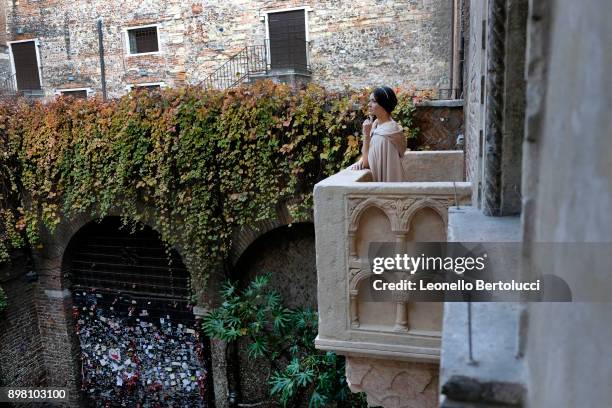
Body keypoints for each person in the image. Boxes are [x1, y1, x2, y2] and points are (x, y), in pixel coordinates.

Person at [350, 86, 407, 182]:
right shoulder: (377, 126)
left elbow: (367, 163)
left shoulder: (383, 136)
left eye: (373, 101)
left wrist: (366, 135)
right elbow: (368, 157)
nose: (369, 104)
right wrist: (360, 160)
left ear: (384, 104)